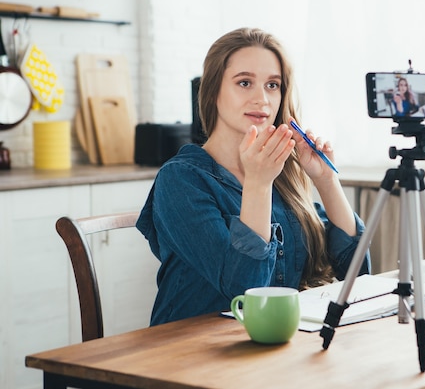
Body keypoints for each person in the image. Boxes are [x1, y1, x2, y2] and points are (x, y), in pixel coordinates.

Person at [137, 27, 370, 326]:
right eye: (244, 82)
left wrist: (326, 181)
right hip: (190, 353)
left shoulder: (280, 173)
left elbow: (358, 274)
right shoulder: (181, 180)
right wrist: (258, 185)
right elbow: (246, 292)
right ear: (213, 92)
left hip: (274, 345)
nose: (262, 98)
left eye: (273, 85)